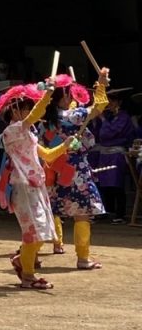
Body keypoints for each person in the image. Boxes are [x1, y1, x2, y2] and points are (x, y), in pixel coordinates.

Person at [0, 82, 67, 291]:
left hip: (37, 185)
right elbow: (36, 115)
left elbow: (48, 155)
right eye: (25, 108)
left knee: (44, 231)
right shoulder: (11, 131)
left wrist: (67, 144)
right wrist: (48, 93)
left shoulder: (30, 133)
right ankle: (27, 275)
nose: (28, 111)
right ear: (14, 110)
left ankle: (22, 261)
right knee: (32, 232)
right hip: (22, 185)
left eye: (28, 108)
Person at [41, 71, 109, 269]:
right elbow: (99, 106)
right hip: (76, 170)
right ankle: (83, 258)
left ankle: (32, 255)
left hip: (54, 169)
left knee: (49, 212)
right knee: (82, 214)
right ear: (65, 96)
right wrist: (102, 86)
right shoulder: (73, 116)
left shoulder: (45, 119)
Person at [92, 88, 136, 223]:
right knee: (102, 183)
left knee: (117, 184)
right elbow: (96, 134)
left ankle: (120, 214)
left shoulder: (123, 117)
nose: (109, 104)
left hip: (117, 153)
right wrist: (95, 120)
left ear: (119, 102)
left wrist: (102, 119)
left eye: (112, 101)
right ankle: (105, 211)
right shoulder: (106, 115)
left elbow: (108, 134)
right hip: (103, 153)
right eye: (108, 101)